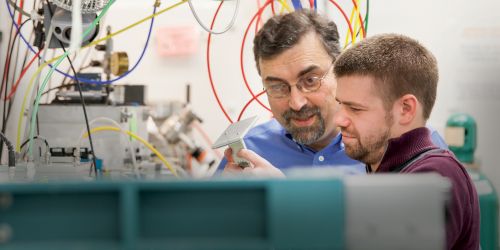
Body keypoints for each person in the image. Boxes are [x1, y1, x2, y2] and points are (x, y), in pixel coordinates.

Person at [220, 10, 447, 175]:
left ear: (339, 69)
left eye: (310, 80)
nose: (297, 103)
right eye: (277, 87)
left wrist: (285, 198)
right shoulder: (248, 151)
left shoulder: (409, 143)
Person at [332, 34, 479, 250]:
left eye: (355, 109)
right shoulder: (386, 170)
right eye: (340, 104)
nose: (339, 120)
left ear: (406, 109)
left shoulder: (434, 174)